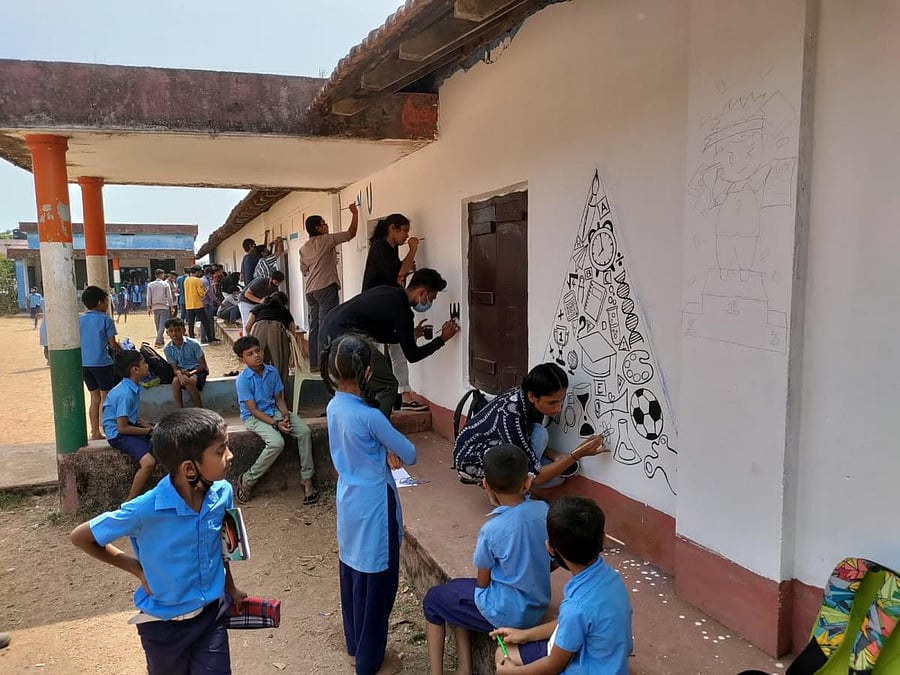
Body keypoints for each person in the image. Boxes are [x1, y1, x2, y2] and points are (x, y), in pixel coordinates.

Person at [70, 408, 246, 675]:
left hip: (211, 616)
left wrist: (231, 588)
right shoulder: (144, 509)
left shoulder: (223, 493)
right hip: (162, 628)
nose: (230, 456)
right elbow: (81, 536)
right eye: (220, 450)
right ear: (189, 468)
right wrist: (135, 568)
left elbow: (224, 547)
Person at [321, 333, 417, 675]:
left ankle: (355, 645)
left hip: (348, 497)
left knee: (353, 573)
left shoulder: (334, 405)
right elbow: (410, 453)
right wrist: (385, 447)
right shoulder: (370, 416)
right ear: (366, 374)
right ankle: (370, 661)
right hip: (376, 501)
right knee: (379, 580)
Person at [424, 445, 551, 675]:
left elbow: (482, 583)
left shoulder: (492, 530)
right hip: (536, 606)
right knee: (456, 590)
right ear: (528, 482)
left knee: (434, 600)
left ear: (486, 485)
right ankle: (465, 669)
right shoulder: (544, 511)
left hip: (505, 613)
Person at [492, 497, 633, 675]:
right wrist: (525, 634)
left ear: (550, 548)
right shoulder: (611, 578)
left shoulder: (576, 606)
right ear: (603, 540)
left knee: (503, 656)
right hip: (612, 666)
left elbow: (553, 665)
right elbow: (570, 623)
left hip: (581, 668)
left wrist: (512, 672)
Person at [322, 268, 459, 418]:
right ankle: (377, 432)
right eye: (431, 298)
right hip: (347, 339)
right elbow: (412, 355)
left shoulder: (390, 294)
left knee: (363, 382)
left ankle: (359, 424)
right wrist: (441, 340)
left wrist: (408, 335)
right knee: (388, 385)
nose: (429, 303)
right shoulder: (403, 311)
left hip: (329, 330)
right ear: (422, 292)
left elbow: (378, 334)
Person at [453, 363, 609, 490]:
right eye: (552, 402)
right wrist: (578, 453)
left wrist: (556, 457)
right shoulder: (511, 415)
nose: (558, 408)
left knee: (557, 479)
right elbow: (539, 477)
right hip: (470, 461)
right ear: (532, 396)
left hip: (502, 446)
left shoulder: (527, 399)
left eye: (561, 401)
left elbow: (523, 439)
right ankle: (504, 491)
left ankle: (515, 483)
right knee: (540, 436)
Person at [233, 335, 316, 505]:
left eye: (258, 350)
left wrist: (285, 416)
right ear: (242, 359)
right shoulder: (243, 380)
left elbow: (279, 398)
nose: (256, 355)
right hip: (254, 417)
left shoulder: (272, 371)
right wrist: (276, 424)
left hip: (275, 411)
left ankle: (307, 479)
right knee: (277, 443)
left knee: (304, 432)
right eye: (250, 353)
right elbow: (253, 410)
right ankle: (248, 480)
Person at [362, 213, 423, 410]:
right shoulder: (381, 247)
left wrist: (405, 266)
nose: (406, 235)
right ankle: (377, 395)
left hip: (388, 306)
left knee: (397, 351)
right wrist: (413, 250)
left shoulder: (390, 249)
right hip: (376, 308)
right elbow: (399, 273)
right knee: (378, 354)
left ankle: (404, 395)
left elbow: (397, 276)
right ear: (392, 229)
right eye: (404, 230)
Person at [300, 202, 359, 371]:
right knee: (327, 324)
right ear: (318, 228)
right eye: (324, 223)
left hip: (310, 291)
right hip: (325, 288)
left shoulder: (304, 248)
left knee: (315, 326)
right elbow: (351, 233)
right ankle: (326, 365)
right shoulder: (326, 240)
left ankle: (314, 364)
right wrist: (355, 213)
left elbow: (304, 270)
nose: (327, 226)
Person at [103, 351, 158, 501]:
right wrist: (148, 431)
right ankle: (130, 500)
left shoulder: (132, 386)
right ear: (135, 370)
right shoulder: (125, 394)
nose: (147, 366)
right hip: (118, 435)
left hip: (127, 427)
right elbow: (122, 427)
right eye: (144, 363)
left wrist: (148, 425)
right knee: (148, 463)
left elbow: (131, 415)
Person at [80, 285, 119, 440]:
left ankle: (95, 431)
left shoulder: (79, 320)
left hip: (84, 364)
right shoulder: (106, 320)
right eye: (106, 300)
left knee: (94, 398)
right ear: (99, 302)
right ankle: (110, 429)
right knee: (107, 397)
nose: (107, 304)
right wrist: (122, 349)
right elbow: (112, 343)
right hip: (102, 363)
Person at [246, 291, 295, 402]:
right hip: (277, 332)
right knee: (280, 367)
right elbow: (293, 332)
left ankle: (258, 400)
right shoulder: (284, 311)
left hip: (258, 330)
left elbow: (248, 326)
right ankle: (282, 401)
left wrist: (252, 340)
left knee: (257, 367)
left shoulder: (258, 308)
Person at [164, 317, 209, 409]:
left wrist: (190, 373)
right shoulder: (167, 349)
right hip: (182, 372)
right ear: (167, 333)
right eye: (171, 331)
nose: (174, 333)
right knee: (175, 382)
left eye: (177, 330)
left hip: (197, 370)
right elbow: (175, 368)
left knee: (189, 383)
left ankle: (199, 409)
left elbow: (203, 365)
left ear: (183, 330)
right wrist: (180, 375)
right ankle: (180, 410)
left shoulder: (193, 344)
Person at [146, 269, 174, 347]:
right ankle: (159, 341)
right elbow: (169, 297)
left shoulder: (150, 285)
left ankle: (160, 340)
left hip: (155, 307)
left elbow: (148, 297)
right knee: (162, 325)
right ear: (162, 275)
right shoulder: (165, 284)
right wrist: (171, 306)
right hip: (164, 306)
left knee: (158, 324)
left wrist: (149, 307)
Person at [183, 266, 209, 341]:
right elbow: (201, 294)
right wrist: (205, 292)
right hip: (198, 304)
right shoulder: (197, 280)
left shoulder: (186, 280)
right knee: (205, 322)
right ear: (197, 272)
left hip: (189, 304)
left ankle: (191, 337)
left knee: (191, 323)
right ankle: (209, 337)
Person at [200, 266, 221, 343]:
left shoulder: (206, 280)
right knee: (206, 321)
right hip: (206, 303)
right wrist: (218, 302)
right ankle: (207, 337)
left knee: (209, 321)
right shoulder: (205, 281)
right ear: (209, 274)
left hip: (206, 303)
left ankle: (210, 336)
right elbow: (210, 293)